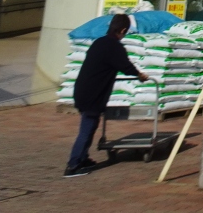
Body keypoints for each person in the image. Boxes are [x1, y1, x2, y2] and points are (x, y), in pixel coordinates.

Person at [65, 13, 152, 177]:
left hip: (83, 91)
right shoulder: (114, 47)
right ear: (123, 30)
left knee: (90, 127)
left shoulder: (99, 42)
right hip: (92, 95)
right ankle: (73, 165)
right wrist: (139, 75)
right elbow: (125, 66)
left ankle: (83, 158)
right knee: (86, 130)